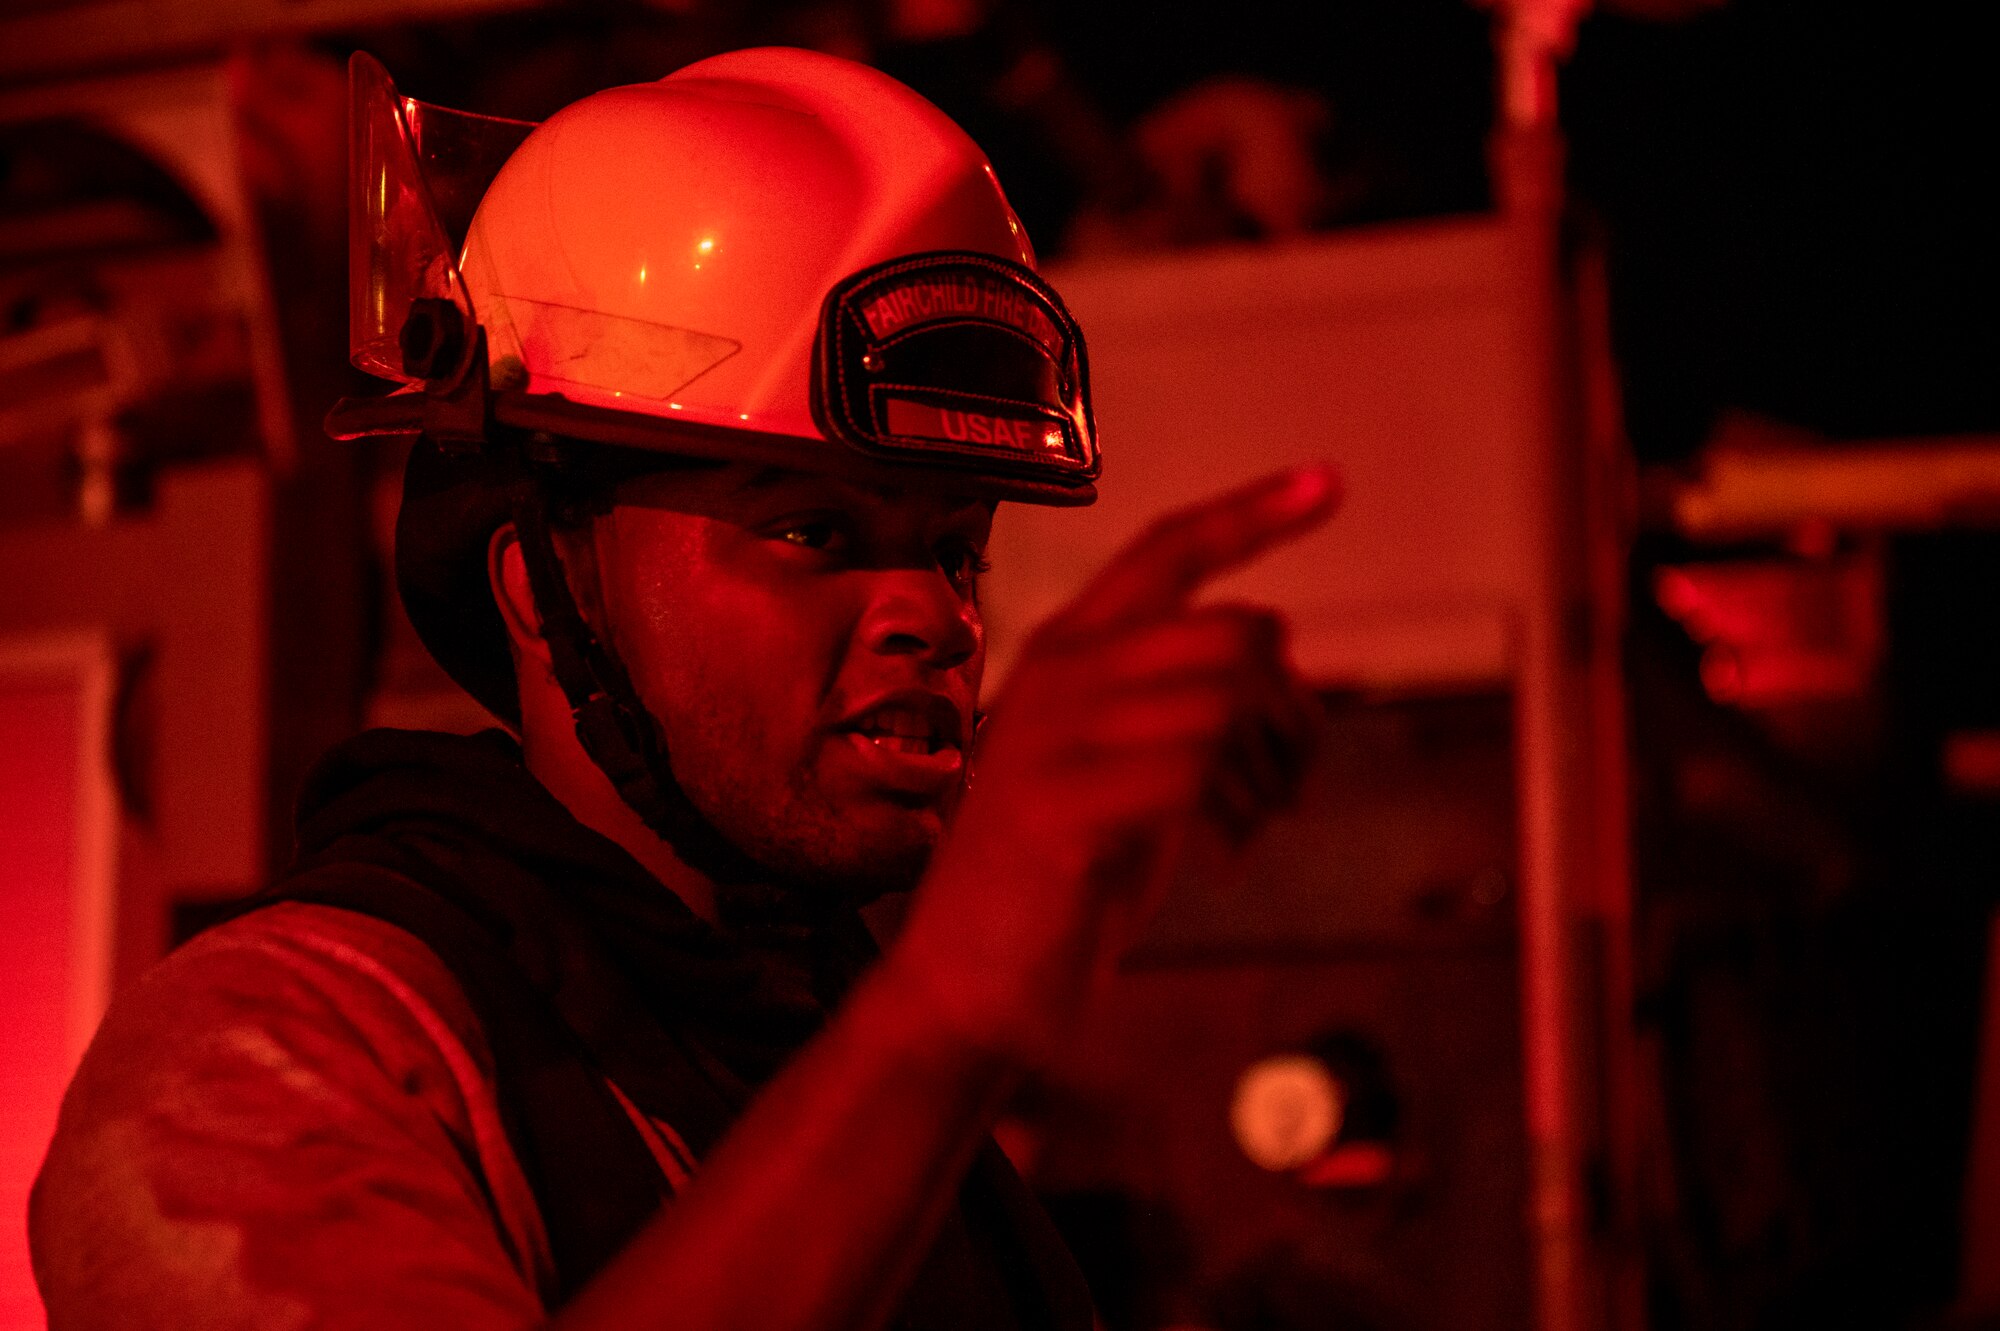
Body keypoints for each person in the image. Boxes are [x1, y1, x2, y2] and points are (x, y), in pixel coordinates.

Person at [28, 47, 1338, 1331]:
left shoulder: (820, 1067)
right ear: (542, 590)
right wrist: (945, 1015)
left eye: (955, 549)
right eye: (812, 533)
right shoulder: (271, 1056)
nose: (933, 615)